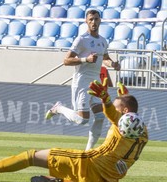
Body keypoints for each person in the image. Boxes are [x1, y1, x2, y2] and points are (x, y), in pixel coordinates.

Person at [0, 79, 148, 182]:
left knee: (31, 156)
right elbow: (126, 118)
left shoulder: (121, 121)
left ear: (124, 112)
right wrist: (123, 98)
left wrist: (107, 99)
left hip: (87, 164)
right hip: (108, 180)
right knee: (73, 171)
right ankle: (62, 179)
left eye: (118, 108)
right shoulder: (143, 133)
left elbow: (112, 114)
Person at [45, 9, 121, 150]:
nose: (93, 22)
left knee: (100, 117)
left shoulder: (103, 41)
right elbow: (66, 60)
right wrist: (86, 59)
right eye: (91, 19)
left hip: (96, 83)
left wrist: (113, 64)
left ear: (100, 21)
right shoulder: (81, 40)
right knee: (82, 120)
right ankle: (58, 108)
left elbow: (105, 59)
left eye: (96, 19)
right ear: (86, 21)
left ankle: (88, 151)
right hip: (82, 82)